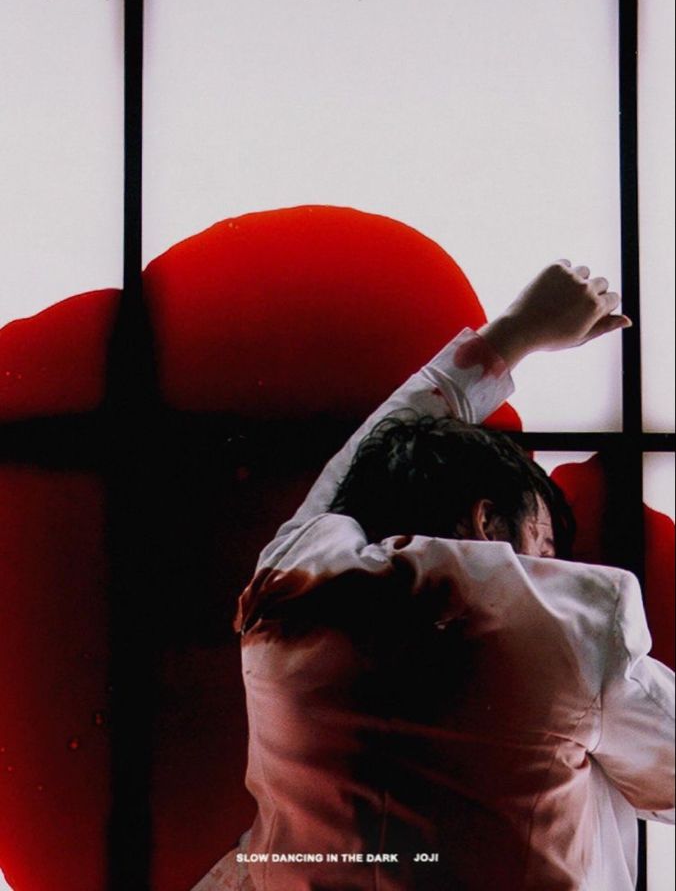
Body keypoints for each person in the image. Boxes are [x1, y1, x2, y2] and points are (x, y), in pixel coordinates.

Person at [194, 261, 674, 891]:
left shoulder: (289, 593)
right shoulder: (575, 631)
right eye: (544, 545)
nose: (550, 570)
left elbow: (351, 477)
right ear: (485, 521)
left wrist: (512, 335)